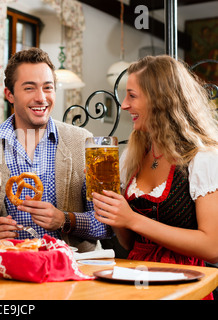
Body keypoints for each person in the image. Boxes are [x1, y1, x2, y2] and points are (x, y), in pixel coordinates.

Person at [91, 55, 218, 298]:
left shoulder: (202, 158)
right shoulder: (135, 156)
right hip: (133, 279)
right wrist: (113, 207)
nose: (124, 105)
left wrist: (131, 219)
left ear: (160, 100)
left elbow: (212, 247)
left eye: (132, 95)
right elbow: (130, 244)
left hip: (183, 284)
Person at [0, 48, 112, 252]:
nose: (41, 98)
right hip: (9, 267)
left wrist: (65, 220)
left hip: (72, 271)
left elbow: (108, 224)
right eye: (29, 88)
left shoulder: (84, 142)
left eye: (47, 87)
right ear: (9, 94)